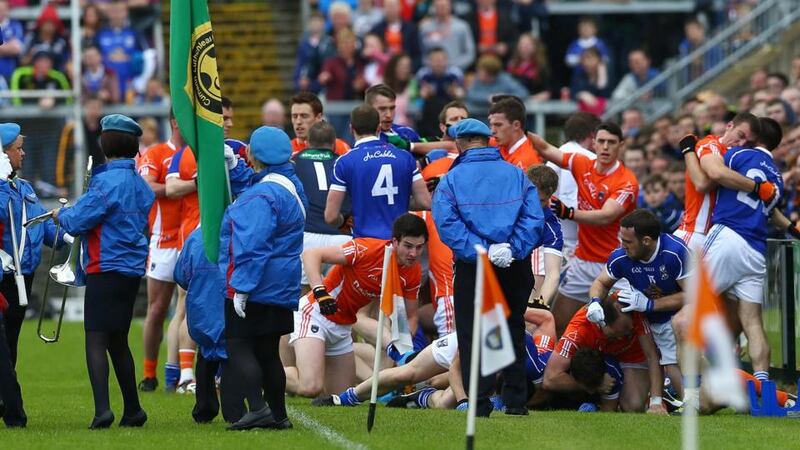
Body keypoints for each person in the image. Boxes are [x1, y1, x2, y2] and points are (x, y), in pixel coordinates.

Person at [433, 118, 544, 417]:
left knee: (473, 333)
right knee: (513, 327)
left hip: (474, 267)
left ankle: (479, 403)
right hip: (514, 263)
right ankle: (516, 401)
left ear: (460, 142)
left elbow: (447, 224)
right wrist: (512, 247)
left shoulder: (451, 179)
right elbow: (535, 218)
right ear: (488, 140)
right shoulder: (517, 174)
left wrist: (482, 250)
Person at [52, 114, 154, 428]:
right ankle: (133, 410)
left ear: (105, 144)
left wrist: (62, 213)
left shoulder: (106, 182)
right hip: (130, 270)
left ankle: (102, 410)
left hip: (105, 267)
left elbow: (76, 221)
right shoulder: (140, 183)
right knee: (118, 341)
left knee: (95, 339)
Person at [218, 126, 306, 431]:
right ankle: (279, 415)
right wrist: (235, 169)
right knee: (269, 352)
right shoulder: (290, 183)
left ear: (255, 155)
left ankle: (257, 408)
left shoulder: (262, 195)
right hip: (282, 282)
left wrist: (241, 286)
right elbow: (263, 183)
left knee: (238, 344)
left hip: (258, 282)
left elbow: (252, 245)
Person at [284, 214, 425, 398]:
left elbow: (411, 316)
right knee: (310, 387)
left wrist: (404, 348)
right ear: (395, 242)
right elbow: (311, 254)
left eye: (419, 247)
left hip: (342, 328)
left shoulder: (413, 272)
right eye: (408, 246)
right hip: (315, 314)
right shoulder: (366, 249)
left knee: (339, 398)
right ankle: (263, 371)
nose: (413, 253)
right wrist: (319, 291)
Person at [530, 123, 638, 337]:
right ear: (593, 143)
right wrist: (519, 128)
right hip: (583, 261)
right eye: (601, 141)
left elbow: (607, 215)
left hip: (614, 264)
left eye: (612, 142)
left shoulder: (627, 181)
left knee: (620, 329)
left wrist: (568, 213)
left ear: (621, 146)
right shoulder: (581, 162)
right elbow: (544, 148)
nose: (605, 147)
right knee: (559, 322)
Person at [701, 118, 784, 384]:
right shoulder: (778, 177)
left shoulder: (737, 153)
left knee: (690, 303)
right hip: (757, 249)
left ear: (756, 138)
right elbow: (772, 213)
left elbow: (710, 177)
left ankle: (687, 382)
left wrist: (691, 151)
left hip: (729, 235)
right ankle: (763, 386)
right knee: (753, 323)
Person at [588, 210, 691, 403]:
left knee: (699, 375)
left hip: (686, 317)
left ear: (646, 241)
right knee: (673, 369)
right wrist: (594, 302)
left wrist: (651, 304)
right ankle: (683, 401)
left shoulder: (675, 252)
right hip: (657, 323)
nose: (622, 246)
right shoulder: (620, 258)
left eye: (628, 242)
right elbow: (600, 283)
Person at [0, 122, 67, 369]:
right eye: (18, 148)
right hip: (4, 275)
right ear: (3, 153)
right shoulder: (3, 187)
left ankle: (8, 400)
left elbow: (39, 224)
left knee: (12, 340)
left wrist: (67, 233)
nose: (23, 153)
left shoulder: (24, 187)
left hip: (23, 275)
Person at [324, 104, 430, 240]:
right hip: (399, 245)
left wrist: (343, 222)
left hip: (365, 245)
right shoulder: (404, 157)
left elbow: (330, 216)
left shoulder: (344, 161)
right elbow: (425, 202)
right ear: (379, 128)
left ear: (351, 129)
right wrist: (398, 200)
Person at [544, 296, 666, 414]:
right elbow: (550, 379)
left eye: (629, 330)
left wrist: (656, 403)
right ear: (602, 323)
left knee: (633, 406)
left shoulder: (632, 307)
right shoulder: (578, 330)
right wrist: (594, 384)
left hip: (632, 356)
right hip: (600, 362)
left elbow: (652, 355)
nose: (623, 336)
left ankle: (662, 393)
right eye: (617, 334)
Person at [174, 227, 244, 424]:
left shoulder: (195, 238)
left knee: (205, 357)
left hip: (201, 310)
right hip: (227, 308)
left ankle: (204, 409)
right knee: (230, 357)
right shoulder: (239, 235)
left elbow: (180, 275)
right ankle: (234, 411)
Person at [136, 112, 184, 392]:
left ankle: (185, 371)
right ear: (174, 122)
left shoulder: (198, 153)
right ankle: (150, 373)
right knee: (157, 308)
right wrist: (176, 188)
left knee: (192, 309)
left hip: (193, 238)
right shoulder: (156, 153)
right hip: (163, 240)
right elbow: (147, 188)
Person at [675, 112, 761, 252]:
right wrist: (756, 187)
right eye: (740, 135)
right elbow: (703, 183)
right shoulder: (711, 144)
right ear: (729, 126)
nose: (742, 143)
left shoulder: (743, 158)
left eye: (749, 143)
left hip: (720, 237)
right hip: (695, 233)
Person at [293, 121, 353, 292]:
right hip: (340, 240)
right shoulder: (345, 163)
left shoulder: (294, 162)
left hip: (307, 239)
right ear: (334, 144)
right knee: (341, 301)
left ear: (307, 143)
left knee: (306, 297)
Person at [165, 139, 201, 393]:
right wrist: (196, 183)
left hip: (217, 236)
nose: (228, 123)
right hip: (192, 236)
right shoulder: (184, 155)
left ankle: (180, 374)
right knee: (186, 304)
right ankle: (181, 375)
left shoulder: (234, 148)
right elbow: (170, 188)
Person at [549, 112, 600, 265]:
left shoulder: (554, 157)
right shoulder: (589, 159)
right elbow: (570, 201)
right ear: (592, 135)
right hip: (576, 240)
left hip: (555, 234)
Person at [526, 164, 563, 306]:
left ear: (549, 196)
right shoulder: (508, 203)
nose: (534, 205)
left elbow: (553, 275)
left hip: (527, 269)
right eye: (531, 198)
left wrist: (539, 305)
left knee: (529, 315)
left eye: (541, 201)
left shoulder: (551, 226)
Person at [418, 0, 476, 71]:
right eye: (438, 6)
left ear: (450, 7)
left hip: (456, 70)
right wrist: (432, 65)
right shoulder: (426, 28)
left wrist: (453, 66)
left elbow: (470, 53)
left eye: (444, 6)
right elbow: (421, 52)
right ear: (433, 7)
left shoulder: (461, 26)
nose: (442, 8)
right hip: (431, 72)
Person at [289, 91, 351, 158]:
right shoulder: (286, 150)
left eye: (304, 116)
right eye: (294, 116)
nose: (298, 122)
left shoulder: (340, 147)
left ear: (319, 117)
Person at [488, 96, 541, 169]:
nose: (492, 131)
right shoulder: (500, 143)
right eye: (491, 125)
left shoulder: (525, 162)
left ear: (516, 125)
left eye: (498, 125)